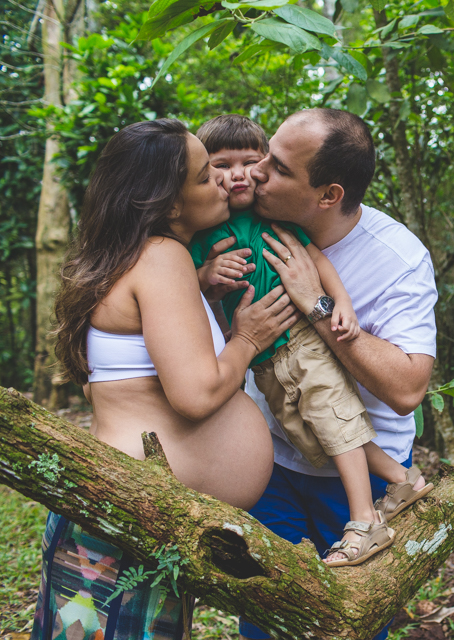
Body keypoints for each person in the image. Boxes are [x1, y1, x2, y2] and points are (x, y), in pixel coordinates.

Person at [33, 119, 298, 640]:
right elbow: (195, 394)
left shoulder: (138, 258)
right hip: (127, 516)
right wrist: (247, 339)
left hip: (133, 513)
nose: (223, 181)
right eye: (205, 176)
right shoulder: (161, 257)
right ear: (169, 203)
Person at [189, 114, 434, 567]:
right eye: (267, 155)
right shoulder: (232, 220)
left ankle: (385, 497)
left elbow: (408, 389)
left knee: (350, 615)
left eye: (278, 168)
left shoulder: (398, 260)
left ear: (329, 195)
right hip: (268, 456)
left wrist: (317, 304)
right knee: (266, 609)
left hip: (351, 474)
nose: (256, 172)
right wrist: (208, 289)